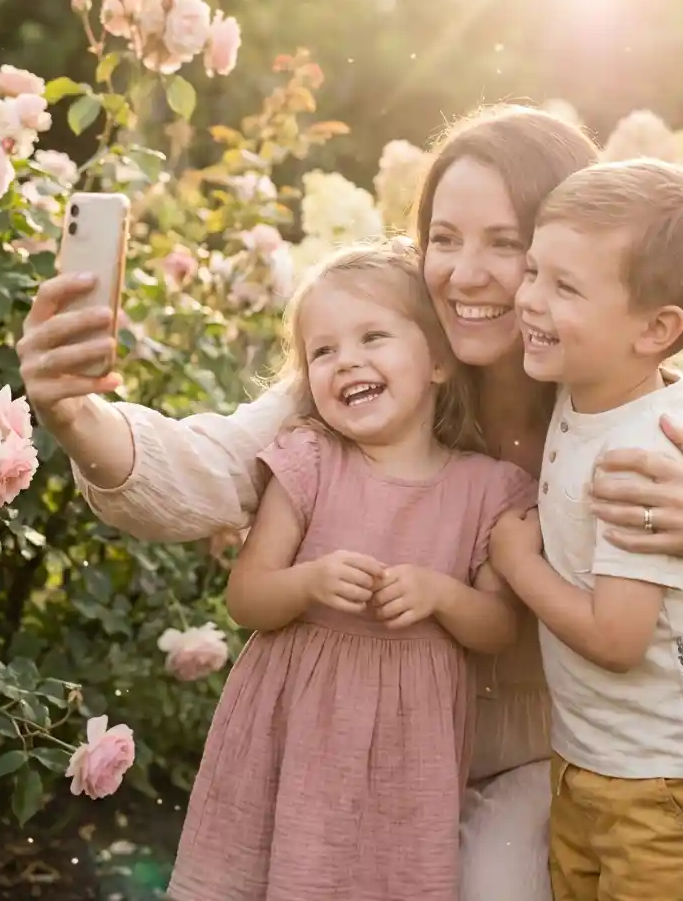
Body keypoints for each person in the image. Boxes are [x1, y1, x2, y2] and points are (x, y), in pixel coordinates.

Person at [16, 104, 683, 901]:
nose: (464, 274)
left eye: (506, 245)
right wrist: (75, 415)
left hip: (557, 766)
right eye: (443, 238)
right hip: (369, 750)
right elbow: (212, 471)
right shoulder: (388, 357)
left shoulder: (621, 416)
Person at [167, 242, 535, 901]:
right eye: (323, 351)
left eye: (373, 337)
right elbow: (246, 598)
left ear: (441, 360)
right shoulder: (311, 461)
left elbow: (500, 627)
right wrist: (306, 582)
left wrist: (441, 594)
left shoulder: (485, 489)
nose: (347, 362)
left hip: (406, 753)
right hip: (294, 733)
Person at [492, 159, 683, 901]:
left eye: (565, 287)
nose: (530, 300)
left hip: (668, 783)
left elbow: (617, 638)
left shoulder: (645, 455)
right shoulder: (590, 391)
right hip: (593, 759)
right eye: (535, 270)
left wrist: (517, 564)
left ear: (656, 330)